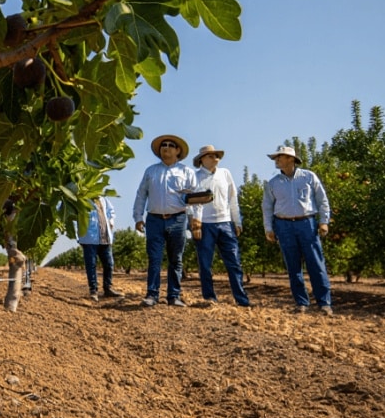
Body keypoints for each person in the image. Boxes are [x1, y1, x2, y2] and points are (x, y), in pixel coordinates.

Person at [261, 146, 334, 315]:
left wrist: (324, 221)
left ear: (291, 159)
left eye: (280, 157)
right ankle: (301, 303)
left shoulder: (308, 177)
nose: (276, 160)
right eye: (276, 158)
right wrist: (269, 228)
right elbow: (267, 207)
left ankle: (324, 303)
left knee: (316, 264)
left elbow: (322, 200)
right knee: (293, 267)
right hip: (283, 225)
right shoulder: (273, 183)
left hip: (307, 224)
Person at [132, 134, 202, 307]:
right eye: (163, 145)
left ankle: (174, 296)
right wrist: (138, 217)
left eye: (171, 145)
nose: (166, 147)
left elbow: (195, 198)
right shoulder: (151, 171)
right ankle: (152, 295)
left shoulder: (186, 172)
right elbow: (141, 194)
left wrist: (196, 220)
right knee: (154, 258)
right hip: (154, 220)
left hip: (178, 219)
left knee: (176, 259)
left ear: (178, 150)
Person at [192, 145, 251, 306]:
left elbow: (233, 198)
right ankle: (209, 298)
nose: (215, 158)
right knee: (205, 264)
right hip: (205, 224)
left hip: (225, 223)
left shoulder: (225, 174)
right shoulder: (195, 177)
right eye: (210, 156)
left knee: (234, 262)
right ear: (202, 160)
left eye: (216, 155)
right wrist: (195, 224)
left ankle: (241, 299)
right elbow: (193, 202)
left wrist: (236, 221)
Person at [78, 196, 123, 301]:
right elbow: (76, 219)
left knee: (109, 264)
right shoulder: (83, 199)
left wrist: (111, 222)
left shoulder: (103, 199)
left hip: (105, 237)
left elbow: (111, 211)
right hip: (89, 238)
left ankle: (108, 288)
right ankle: (93, 290)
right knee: (91, 265)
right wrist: (79, 235)